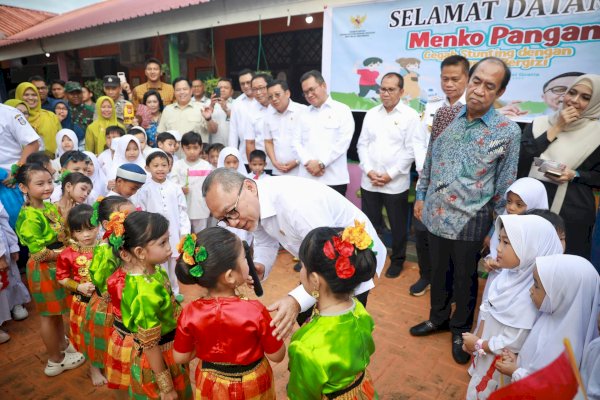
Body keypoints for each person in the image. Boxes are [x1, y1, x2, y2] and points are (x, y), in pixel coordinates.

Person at [411, 57, 521, 365]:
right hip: (435, 213)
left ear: (499, 92)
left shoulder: (507, 131)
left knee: (465, 279)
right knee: (438, 272)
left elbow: (504, 185)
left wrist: (495, 231)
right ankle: (437, 318)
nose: (479, 91)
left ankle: (460, 330)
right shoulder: (445, 115)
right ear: (468, 80)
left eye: (490, 86)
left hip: (471, 222)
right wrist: (421, 194)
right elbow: (430, 159)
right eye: (476, 81)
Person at [202, 168, 387, 339]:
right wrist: (261, 265)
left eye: (231, 212)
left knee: (340, 329)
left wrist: (295, 301)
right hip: (317, 264)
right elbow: (265, 240)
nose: (232, 223)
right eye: (224, 220)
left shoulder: (298, 205)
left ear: (249, 187)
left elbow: (328, 260)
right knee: (308, 319)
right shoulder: (254, 206)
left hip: (349, 263)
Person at [173, 228, 285, 398]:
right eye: (244, 258)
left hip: (211, 383)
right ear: (230, 276)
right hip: (252, 383)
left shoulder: (190, 312)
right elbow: (277, 355)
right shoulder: (255, 311)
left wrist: (205, 345)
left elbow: (180, 357)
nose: (248, 261)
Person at [463, 215, 564, 399]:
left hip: (501, 367)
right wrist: (477, 341)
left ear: (530, 249)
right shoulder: (505, 276)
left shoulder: (532, 296)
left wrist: (478, 344)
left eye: (506, 243)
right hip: (484, 355)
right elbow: (488, 309)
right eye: (499, 240)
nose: (498, 249)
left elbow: (512, 341)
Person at [287, 225, 378, 399]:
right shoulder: (360, 310)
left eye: (302, 266)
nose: (301, 271)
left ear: (314, 280)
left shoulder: (305, 346)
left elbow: (300, 394)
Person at [517, 74, 600, 260]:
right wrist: (558, 126)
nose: (575, 101)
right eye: (572, 93)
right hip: (530, 207)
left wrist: (575, 174)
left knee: (560, 271)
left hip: (572, 214)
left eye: (585, 97)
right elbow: (522, 160)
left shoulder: (597, 134)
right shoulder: (539, 124)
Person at [15, 163, 86, 376]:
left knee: (56, 313)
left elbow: (60, 233)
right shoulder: (29, 216)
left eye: (49, 182)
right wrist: (67, 252)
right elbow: (38, 253)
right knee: (48, 315)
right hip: (43, 268)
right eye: (40, 184)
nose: (47, 187)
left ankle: (62, 348)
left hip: (55, 265)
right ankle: (54, 360)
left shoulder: (46, 207)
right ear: (23, 187)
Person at [117, 211, 191, 399]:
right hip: (160, 359)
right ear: (140, 252)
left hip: (169, 351)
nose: (169, 248)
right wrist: (166, 387)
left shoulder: (154, 270)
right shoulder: (144, 294)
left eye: (168, 240)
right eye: (162, 243)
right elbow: (150, 345)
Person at [495, 255, 600, 384]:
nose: (531, 290)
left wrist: (515, 372)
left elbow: (548, 388)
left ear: (562, 293)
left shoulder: (568, 347)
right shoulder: (549, 317)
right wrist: (518, 361)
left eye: (536, 285)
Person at [358, 72, 421, 279]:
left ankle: (398, 260)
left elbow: (411, 150)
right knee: (370, 224)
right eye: (382, 89)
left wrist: (389, 175)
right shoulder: (371, 114)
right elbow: (363, 145)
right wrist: (368, 171)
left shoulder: (410, 116)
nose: (385, 94)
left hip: (395, 183)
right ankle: (370, 260)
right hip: (370, 181)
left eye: (391, 89)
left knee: (397, 226)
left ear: (401, 92)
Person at [84, 196, 135, 390]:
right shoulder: (106, 250)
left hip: (120, 301)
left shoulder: (124, 241)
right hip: (107, 304)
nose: (131, 221)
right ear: (107, 224)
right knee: (100, 338)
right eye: (126, 216)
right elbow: (101, 280)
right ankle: (94, 368)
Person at [55, 204, 103, 385]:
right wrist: (78, 287)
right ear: (72, 233)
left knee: (105, 335)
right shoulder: (67, 254)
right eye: (79, 230)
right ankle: (94, 369)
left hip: (107, 303)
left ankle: (109, 363)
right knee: (89, 337)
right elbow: (61, 278)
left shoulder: (106, 248)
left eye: (90, 228)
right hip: (84, 303)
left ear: (98, 226)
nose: (86, 234)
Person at [137, 151, 191, 295]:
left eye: (164, 165)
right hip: (153, 235)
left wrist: (185, 233)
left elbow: (182, 212)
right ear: (148, 167)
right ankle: (161, 292)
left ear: (169, 167)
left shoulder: (175, 188)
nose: (160, 169)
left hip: (174, 233)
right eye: (156, 165)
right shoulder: (144, 189)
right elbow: (141, 212)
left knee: (174, 264)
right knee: (158, 264)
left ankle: (175, 292)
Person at [295, 70, 354, 196]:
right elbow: (295, 142)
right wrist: (308, 163)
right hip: (306, 178)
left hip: (334, 179)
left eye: (312, 89)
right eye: (305, 92)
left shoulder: (342, 110)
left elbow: (343, 142)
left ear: (323, 86)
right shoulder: (302, 113)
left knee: (333, 215)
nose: (309, 95)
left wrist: (321, 163)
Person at [171, 132, 212, 233]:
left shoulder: (206, 166)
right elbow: (172, 183)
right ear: (182, 148)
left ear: (201, 147)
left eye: (195, 148)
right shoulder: (178, 165)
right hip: (183, 207)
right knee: (185, 235)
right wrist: (180, 188)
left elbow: (210, 187)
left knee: (201, 235)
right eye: (188, 148)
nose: (192, 151)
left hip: (201, 208)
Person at [157, 77, 217, 145]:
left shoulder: (202, 108)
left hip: (197, 154)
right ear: (174, 92)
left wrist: (208, 118)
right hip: (174, 154)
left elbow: (214, 130)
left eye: (185, 89)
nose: (182, 92)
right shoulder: (167, 110)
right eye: (178, 90)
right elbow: (161, 134)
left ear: (191, 91)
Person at [0, 202, 31, 333]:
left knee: (10, 277)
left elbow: (4, 222)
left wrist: (13, 246)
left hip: (3, 245)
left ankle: (15, 303)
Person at [264, 79, 305, 176]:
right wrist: (274, 162)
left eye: (277, 94)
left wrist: (297, 161)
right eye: (270, 97)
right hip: (278, 170)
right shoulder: (268, 116)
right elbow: (268, 141)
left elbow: (309, 142)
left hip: (300, 170)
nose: (274, 99)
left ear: (287, 93)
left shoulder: (303, 111)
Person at [15, 82, 62, 156]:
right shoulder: (14, 118)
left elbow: (61, 138)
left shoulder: (50, 116)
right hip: (24, 163)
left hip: (52, 162)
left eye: (34, 95)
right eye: (26, 95)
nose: (30, 98)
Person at [244, 73, 274, 172]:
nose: (258, 92)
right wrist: (254, 168)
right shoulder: (251, 111)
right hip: (262, 166)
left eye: (261, 88)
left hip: (284, 165)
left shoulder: (279, 107)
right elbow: (250, 142)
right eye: (254, 89)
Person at [228, 69, 256, 167]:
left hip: (267, 159)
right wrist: (232, 155)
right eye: (242, 84)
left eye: (248, 82)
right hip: (244, 158)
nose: (246, 86)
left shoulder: (264, 100)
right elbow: (233, 131)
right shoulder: (237, 103)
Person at [210, 78, 234, 146]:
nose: (222, 90)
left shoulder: (237, 104)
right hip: (213, 147)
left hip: (232, 145)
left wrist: (225, 108)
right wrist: (211, 105)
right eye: (220, 88)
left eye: (226, 88)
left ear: (232, 91)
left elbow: (239, 122)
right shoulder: (208, 104)